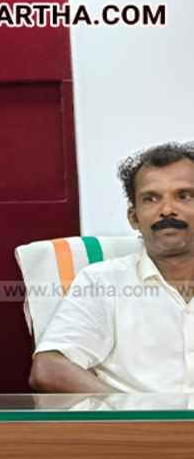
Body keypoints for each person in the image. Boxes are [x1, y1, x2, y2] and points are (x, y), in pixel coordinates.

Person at [30, 141, 194, 393]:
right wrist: (133, 413)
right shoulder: (102, 283)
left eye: (184, 196)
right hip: (135, 430)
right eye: (151, 199)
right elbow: (50, 367)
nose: (168, 210)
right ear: (134, 218)